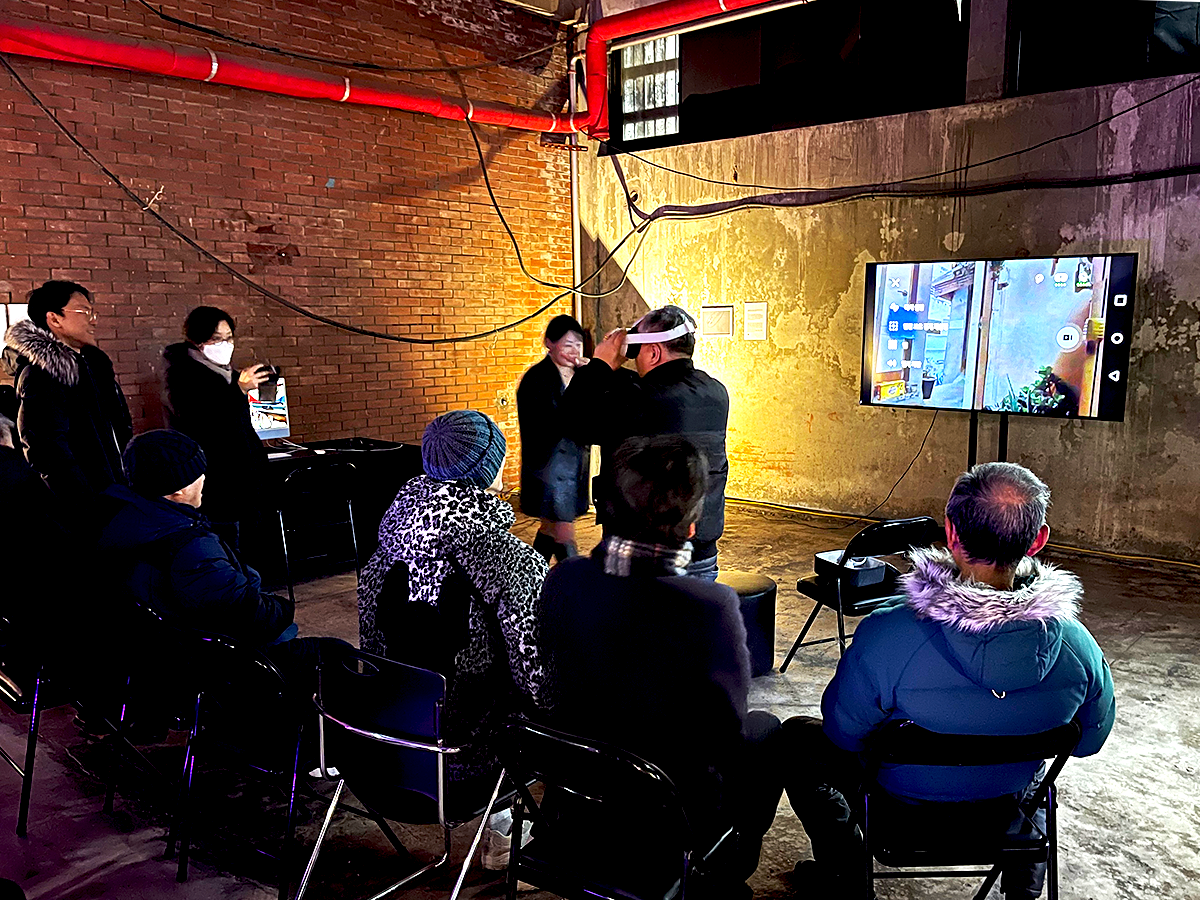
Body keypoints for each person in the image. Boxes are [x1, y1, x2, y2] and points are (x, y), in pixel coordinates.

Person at [783, 462, 1116, 897]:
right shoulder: (1078, 646)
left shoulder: (888, 631)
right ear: (1038, 541)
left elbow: (844, 734)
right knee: (1038, 779)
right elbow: (1088, 741)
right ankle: (1024, 889)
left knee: (795, 740)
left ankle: (846, 876)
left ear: (952, 533)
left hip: (898, 805)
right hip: (1004, 804)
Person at [538, 435, 781, 895]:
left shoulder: (564, 579)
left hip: (575, 798)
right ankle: (721, 871)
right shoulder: (709, 607)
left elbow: (548, 682)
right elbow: (725, 731)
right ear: (691, 526)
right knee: (766, 731)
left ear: (607, 507)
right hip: (663, 816)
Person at [357, 409, 549, 786]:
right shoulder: (511, 561)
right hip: (472, 759)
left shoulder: (382, 554)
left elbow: (373, 652)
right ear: (489, 469)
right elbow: (537, 682)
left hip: (386, 751)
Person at [93, 429, 346, 701]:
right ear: (178, 490)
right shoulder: (189, 547)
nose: (204, 478)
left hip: (165, 653)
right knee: (339, 655)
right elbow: (245, 614)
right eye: (197, 473)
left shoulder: (124, 519)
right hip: (216, 663)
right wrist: (284, 609)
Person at [561, 305, 729, 580]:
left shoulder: (634, 400)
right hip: (701, 550)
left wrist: (600, 365)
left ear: (653, 352)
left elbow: (571, 423)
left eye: (638, 352)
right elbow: (655, 393)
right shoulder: (716, 393)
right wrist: (605, 373)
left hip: (640, 555)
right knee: (695, 608)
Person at [2, 281, 132, 497]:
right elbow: (46, 452)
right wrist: (87, 502)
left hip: (119, 491)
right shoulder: (42, 375)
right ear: (54, 319)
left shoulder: (93, 366)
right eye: (84, 312)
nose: (93, 320)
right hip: (92, 502)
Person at [161, 306, 270, 552]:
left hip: (243, 481)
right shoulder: (180, 374)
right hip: (214, 483)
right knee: (225, 549)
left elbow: (240, 426)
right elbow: (204, 422)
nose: (225, 345)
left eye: (229, 338)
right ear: (197, 341)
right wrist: (238, 391)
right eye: (216, 339)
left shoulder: (227, 374)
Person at [516, 314, 591, 562]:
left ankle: (533, 576)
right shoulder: (536, 379)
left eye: (578, 345)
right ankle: (574, 582)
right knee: (563, 531)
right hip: (548, 469)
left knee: (550, 528)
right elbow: (554, 423)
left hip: (573, 467)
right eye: (567, 344)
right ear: (549, 343)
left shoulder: (580, 374)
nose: (574, 351)